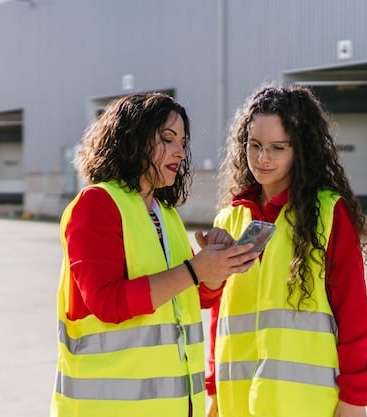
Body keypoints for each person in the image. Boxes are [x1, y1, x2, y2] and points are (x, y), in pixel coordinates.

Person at [50, 92, 257, 417]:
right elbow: (107, 302)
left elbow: (190, 296)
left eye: (182, 142)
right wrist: (194, 270)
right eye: (167, 139)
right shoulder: (96, 205)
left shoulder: (166, 214)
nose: (180, 151)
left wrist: (214, 270)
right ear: (132, 140)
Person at [207, 84, 367, 417]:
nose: (262, 158)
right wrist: (215, 387)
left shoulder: (329, 213)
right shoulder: (229, 219)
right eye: (254, 145)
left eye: (277, 147)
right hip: (237, 402)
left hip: (305, 406)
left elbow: (353, 311)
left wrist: (355, 397)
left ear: (300, 149)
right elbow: (219, 315)